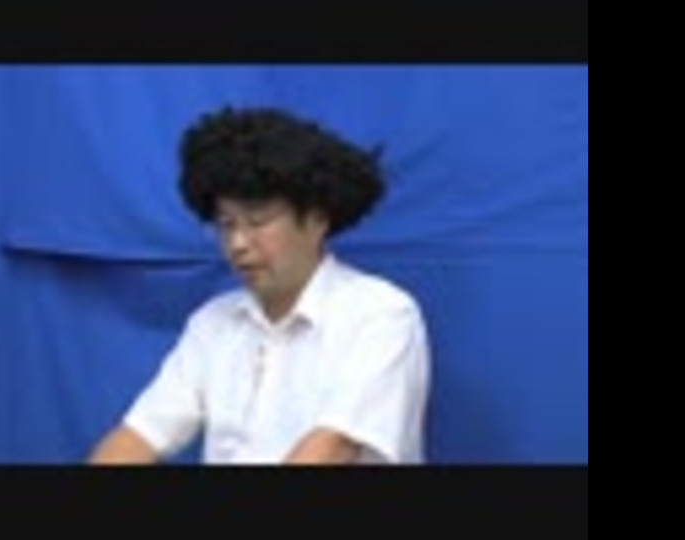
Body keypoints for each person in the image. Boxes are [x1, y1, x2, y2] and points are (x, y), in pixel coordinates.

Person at [87, 106, 431, 465]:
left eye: (258, 221)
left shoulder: (381, 315)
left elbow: (333, 447)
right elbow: (140, 433)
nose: (238, 243)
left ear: (318, 219)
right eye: (226, 224)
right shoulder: (212, 323)